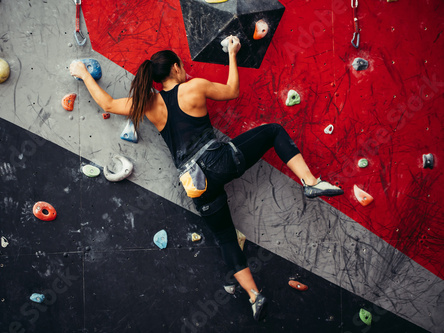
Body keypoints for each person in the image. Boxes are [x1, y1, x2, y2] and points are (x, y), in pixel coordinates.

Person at [70, 36, 343, 321]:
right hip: (219, 162)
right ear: (175, 68)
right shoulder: (193, 87)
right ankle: (310, 183)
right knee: (273, 131)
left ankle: (253, 295)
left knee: (226, 237)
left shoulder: (149, 103)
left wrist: (83, 72)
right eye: (181, 66)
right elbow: (233, 90)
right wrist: (233, 54)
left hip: (194, 183)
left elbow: (109, 103)